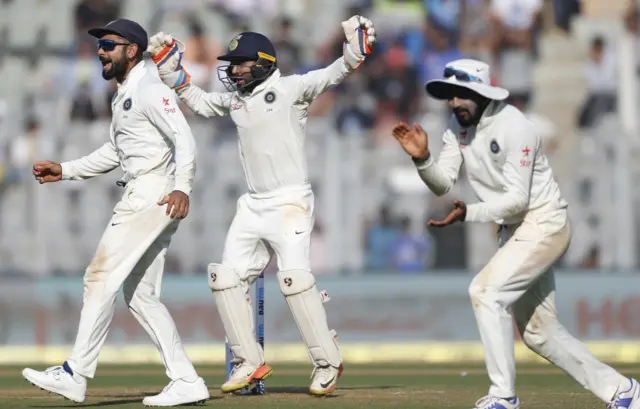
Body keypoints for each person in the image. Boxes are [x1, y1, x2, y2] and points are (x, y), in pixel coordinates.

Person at [145, 15, 376, 396]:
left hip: (290, 202)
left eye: (240, 64)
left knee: (294, 280)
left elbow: (334, 73)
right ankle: (248, 361)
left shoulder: (290, 89)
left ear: (264, 63)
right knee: (224, 277)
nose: (233, 71)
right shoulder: (236, 101)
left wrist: (355, 51)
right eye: (231, 65)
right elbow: (201, 104)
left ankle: (327, 362)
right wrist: (172, 73)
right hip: (252, 205)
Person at [391, 58, 640, 409]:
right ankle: (623, 392)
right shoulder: (456, 126)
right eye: (450, 95)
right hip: (515, 230)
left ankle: (503, 397)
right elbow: (443, 184)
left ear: (481, 92)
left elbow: (517, 199)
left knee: (484, 291)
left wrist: (471, 213)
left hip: (544, 222)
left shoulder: (515, 126)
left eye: (461, 95)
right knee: (540, 334)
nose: (454, 103)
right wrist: (423, 160)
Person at [22, 19, 210, 407]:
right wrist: (66, 169)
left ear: (131, 49)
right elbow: (114, 152)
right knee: (140, 296)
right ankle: (187, 380)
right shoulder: (125, 92)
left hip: (152, 192)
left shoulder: (149, 88)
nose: (101, 51)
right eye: (99, 45)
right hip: (149, 190)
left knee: (99, 277)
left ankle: (75, 374)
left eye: (109, 44)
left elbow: (183, 137)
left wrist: (182, 187)